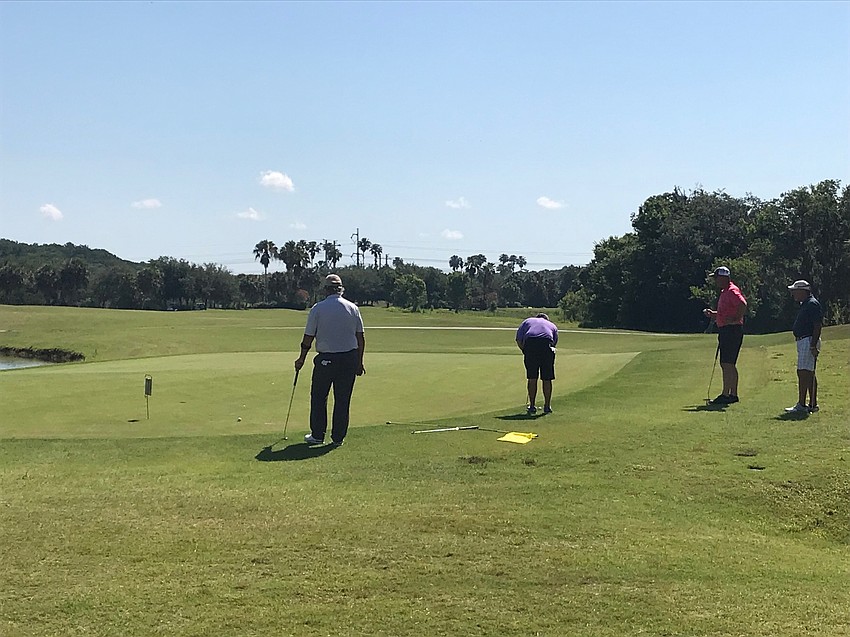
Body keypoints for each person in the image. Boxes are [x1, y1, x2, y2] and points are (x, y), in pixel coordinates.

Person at [294, 274, 365, 447]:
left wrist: (301, 359)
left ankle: (318, 435)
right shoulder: (352, 308)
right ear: (341, 289)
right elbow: (360, 338)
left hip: (326, 359)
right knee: (342, 400)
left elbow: (308, 337)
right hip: (349, 358)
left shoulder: (318, 308)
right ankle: (338, 438)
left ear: (325, 289)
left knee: (319, 397)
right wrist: (359, 362)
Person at [702, 266, 747, 404]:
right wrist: (714, 314)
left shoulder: (732, 291)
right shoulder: (725, 291)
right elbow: (725, 313)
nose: (715, 281)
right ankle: (732, 394)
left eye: (716, 278)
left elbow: (743, 304)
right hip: (728, 330)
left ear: (723, 278)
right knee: (729, 363)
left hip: (731, 330)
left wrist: (735, 318)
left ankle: (726, 394)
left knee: (727, 363)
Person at [785, 280, 822, 415]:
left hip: (808, 340)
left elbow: (817, 325)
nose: (793, 293)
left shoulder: (812, 304)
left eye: (795, 291)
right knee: (808, 372)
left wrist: (813, 345)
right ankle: (811, 404)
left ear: (802, 291)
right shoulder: (806, 304)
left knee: (804, 372)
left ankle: (803, 404)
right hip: (804, 340)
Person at [515, 313, 558, 414]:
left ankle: (532, 406)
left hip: (531, 344)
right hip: (546, 345)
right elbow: (554, 343)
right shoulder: (552, 325)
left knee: (532, 378)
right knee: (547, 378)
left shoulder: (527, 321)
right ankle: (547, 406)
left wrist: (525, 351)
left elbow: (519, 339)